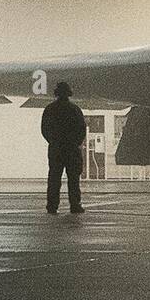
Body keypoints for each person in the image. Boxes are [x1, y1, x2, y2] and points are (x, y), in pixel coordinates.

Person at [42, 81, 87, 214]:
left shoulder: (49, 109)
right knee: (73, 179)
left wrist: (54, 142)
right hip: (71, 149)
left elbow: (45, 129)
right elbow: (81, 129)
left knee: (54, 178)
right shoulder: (75, 109)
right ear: (69, 93)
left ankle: (52, 206)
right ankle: (75, 205)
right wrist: (75, 143)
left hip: (56, 149)